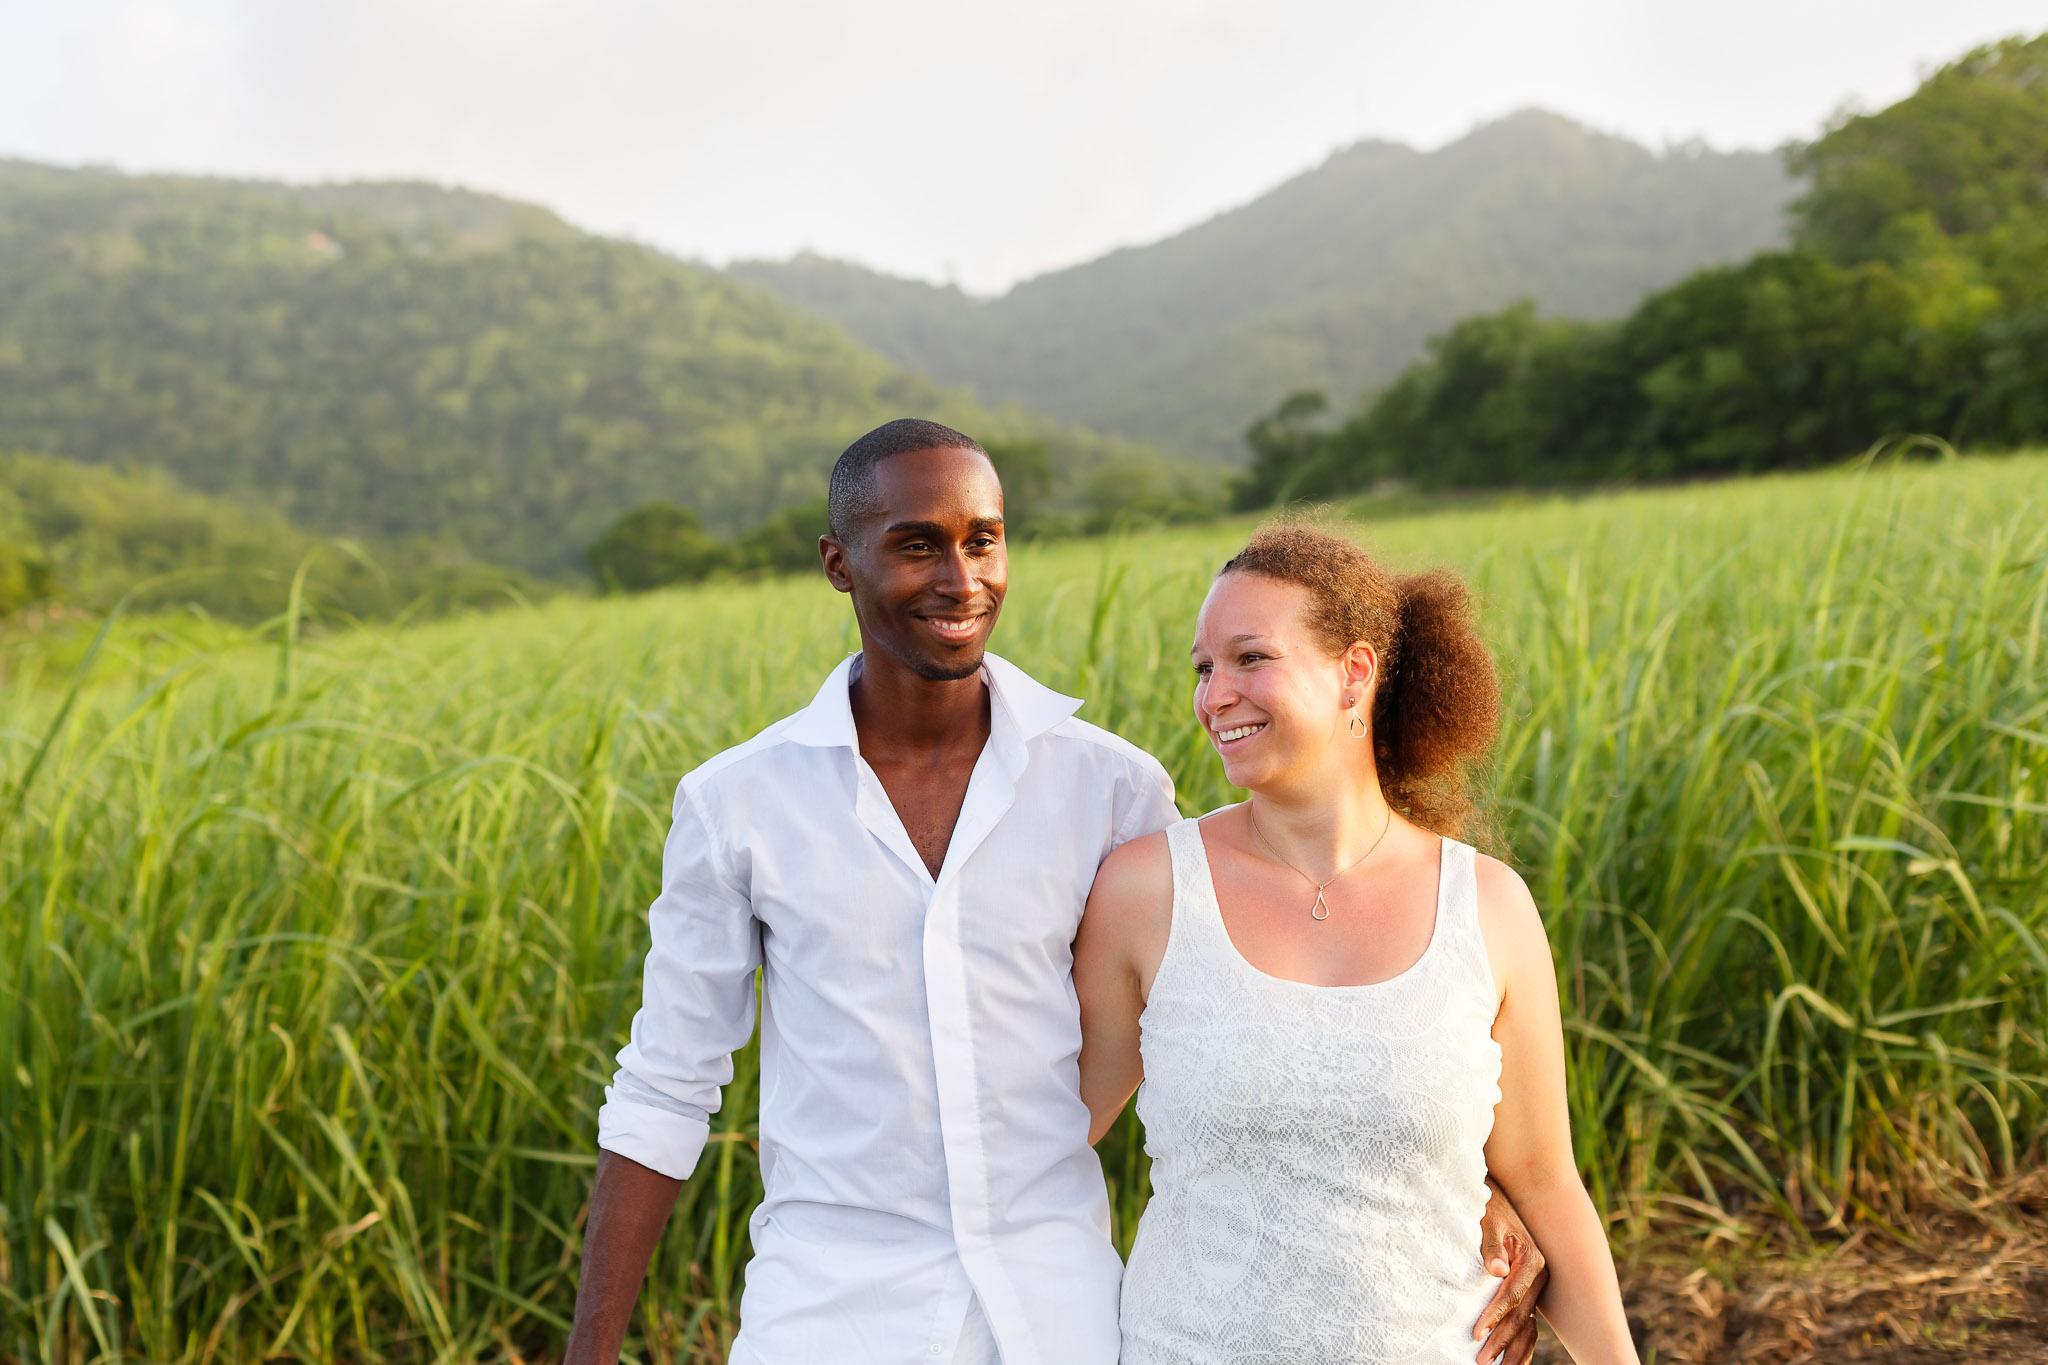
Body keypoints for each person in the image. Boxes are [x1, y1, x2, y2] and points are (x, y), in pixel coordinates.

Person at [564, 422, 1551, 1365]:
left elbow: (1248, 1019)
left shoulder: (1111, 789)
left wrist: (1468, 1186)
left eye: (982, 541)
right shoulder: (738, 803)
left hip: (1058, 1304)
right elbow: (665, 1086)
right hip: (828, 1305)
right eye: (916, 546)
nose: (960, 579)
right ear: (838, 563)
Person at [1074, 522, 1638, 1364]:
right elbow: (1045, 1132)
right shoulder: (1147, 892)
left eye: (1250, 658)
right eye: (1204, 667)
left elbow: (1548, 1184)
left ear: (1355, 674)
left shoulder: (1487, 906)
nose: (1214, 694)